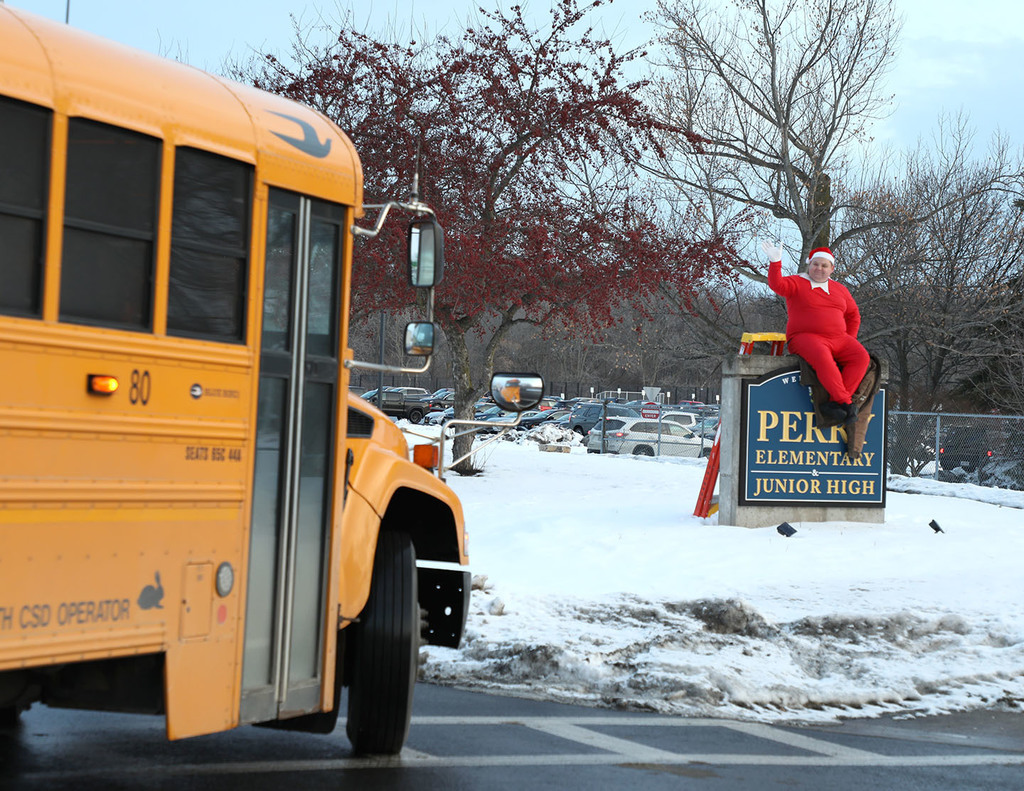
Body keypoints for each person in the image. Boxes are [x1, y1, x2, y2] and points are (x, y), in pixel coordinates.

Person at [762, 241, 869, 426]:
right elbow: (776, 284)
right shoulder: (797, 282)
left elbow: (853, 315)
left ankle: (834, 403)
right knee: (822, 357)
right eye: (815, 264)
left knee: (861, 357)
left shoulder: (840, 289)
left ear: (832, 268)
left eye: (824, 265)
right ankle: (847, 404)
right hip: (805, 338)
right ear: (809, 265)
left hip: (839, 338)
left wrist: (849, 340)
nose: (819, 268)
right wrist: (775, 262)